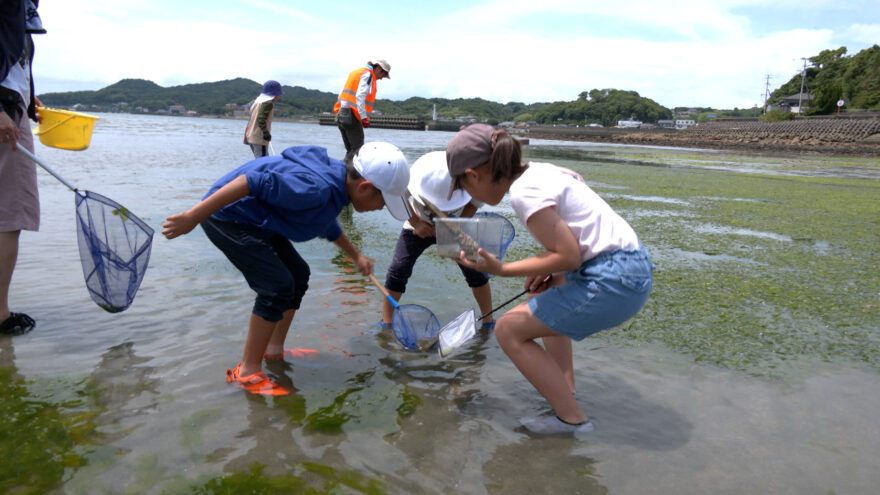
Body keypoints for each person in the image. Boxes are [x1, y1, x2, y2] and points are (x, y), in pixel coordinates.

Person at [446, 124, 653, 434]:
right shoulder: (540, 171)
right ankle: (564, 387)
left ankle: (571, 420)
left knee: (508, 329)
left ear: (474, 174)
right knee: (540, 296)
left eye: (463, 186)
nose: (467, 195)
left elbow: (569, 255)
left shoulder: (523, 192)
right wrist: (552, 269)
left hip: (613, 278)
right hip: (632, 266)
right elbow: (578, 228)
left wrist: (501, 269)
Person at [162, 142, 412, 395]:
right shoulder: (316, 188)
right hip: (227, 216)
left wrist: (356, 256)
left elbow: (323, 222)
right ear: (365, 187)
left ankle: (273, 351)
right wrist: (193, 217)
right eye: (383, 201)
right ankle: (247, 372)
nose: (381, 208)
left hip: (258, 220)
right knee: (276, 287)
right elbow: (252, 181)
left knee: (299, 275)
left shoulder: (336, 188)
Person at [380, 150, 495, 329]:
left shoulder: (474, 181)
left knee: (475, 270)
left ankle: (488, 320)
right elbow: (397, 196)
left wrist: (453, 224)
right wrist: (416, 222)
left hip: (454, 226)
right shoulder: (414, 176)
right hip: (419, 225)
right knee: (399, 269)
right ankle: (386, 321)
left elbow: (474, 204)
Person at [0, 0, 45, 336]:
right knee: (8, 214)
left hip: (12, 104)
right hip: (4, 109)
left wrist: (29, 98)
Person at [333, 59, 390, 161]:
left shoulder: (355, 73)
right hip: (352, 115)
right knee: (357, 150)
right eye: (383, 75)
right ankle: (344, 173)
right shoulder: (368, 74)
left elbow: (341, 93)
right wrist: (364, 118)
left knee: (350, 150)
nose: (381, 79)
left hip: (341, 113)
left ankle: (343, 173)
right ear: (378, 69)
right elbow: (360, 95)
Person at [243, 80, 282, 158]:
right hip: (259, 138)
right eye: (278, 94)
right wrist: (265, 132)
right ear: (275, 94)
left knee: (259, 160)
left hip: (250, 135)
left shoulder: (256, 102)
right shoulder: (268, 103)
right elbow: (261, 118)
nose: (278, 97)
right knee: (263, 162)